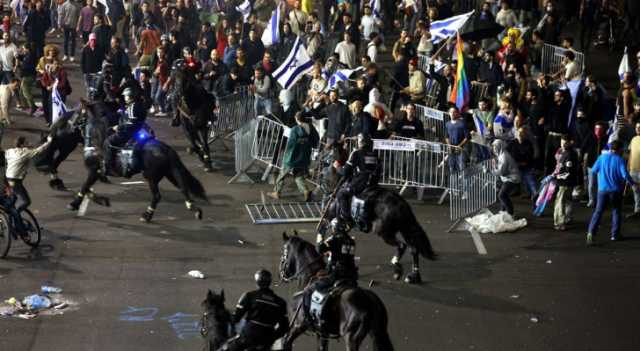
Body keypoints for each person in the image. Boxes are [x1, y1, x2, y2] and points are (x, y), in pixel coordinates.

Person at [587, 141, 639, 245]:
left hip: (602, 190)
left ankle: (590, 233)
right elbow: (625, 175)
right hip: (616, 191)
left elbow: (593, 171)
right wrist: (633, 184)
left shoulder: (602, 158)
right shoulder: (620, 160)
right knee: (616, 211)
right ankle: (615, 234)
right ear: (619, 150)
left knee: (598, 212)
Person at [224, 270, 288, 351]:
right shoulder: (280, 302)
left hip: (247, 337)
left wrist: (225, 315)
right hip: (266, 340)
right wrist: (271, 338)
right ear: (269, 282)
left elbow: (236, 319)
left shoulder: (249, 296)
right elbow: (284, 327)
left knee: (225, 348)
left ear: (257, 282)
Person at [267, 113, 319, 202]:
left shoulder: (295, 129)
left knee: (282, 173)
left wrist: (286, 154)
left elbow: (291, 144)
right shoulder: (311, 127)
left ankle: (276, 192)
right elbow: (316, 139)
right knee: (298, 174)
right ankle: (305, 191)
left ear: (297, 119)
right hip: (305, 155)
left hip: (293, 155)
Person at [5, 135, 53, 229]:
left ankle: (11, 217)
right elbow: (39, 150)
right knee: (26, 201)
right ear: (22, 144)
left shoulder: (10, 151)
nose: (29, 143)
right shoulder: (25, 152)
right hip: (16, 181)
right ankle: (16, 216)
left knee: (13, 200)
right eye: (27, 142)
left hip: (8, 179)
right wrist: (49, 141)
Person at [335, 134, 380, 229]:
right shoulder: (375, 154)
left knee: (341, 194)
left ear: (360, 142)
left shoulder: (356, 153)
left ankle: (347, 220)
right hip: (374, 183)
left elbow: (346, 171)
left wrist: (338, 168)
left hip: (361, 183)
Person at [103, 88, 147, 175]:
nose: (125, 97)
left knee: (107, 142)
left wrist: (118, 127)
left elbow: (131, 122)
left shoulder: (132, 107)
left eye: (126, 96)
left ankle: (109, 168)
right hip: (139, 130)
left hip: (127, 133)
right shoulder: (139, 105)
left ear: (130, 96)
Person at [552, 135, 579, 231]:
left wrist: (556, 176)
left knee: (560, 202)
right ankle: (567, 218)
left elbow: (568, 171)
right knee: (568, 200)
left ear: (569, 142)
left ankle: (559, 222)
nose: (562, 144)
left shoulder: (569, 154)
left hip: (565, 182)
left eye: (564, 143)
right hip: (569, 182)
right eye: (562, 142)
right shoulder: (566, 152)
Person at [492, 139, 521, 216]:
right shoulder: (501, 155)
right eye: (493, 146)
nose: (494, 148)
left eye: (495, 146)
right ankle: (503, 211)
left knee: (502, 195)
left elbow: (502, 172)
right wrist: (495, 165)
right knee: (503, 194)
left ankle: (510, 213)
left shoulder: (504, 156)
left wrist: (491, 170)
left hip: (512, 179)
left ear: (499, 146)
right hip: (507, 178)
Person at [627, 122, 640, 217]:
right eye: (637, 127)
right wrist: (628, 166)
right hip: (633, 170)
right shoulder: (633, 139)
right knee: (635, 191)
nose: (638, 129)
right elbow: (631, 154)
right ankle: (637, 209)